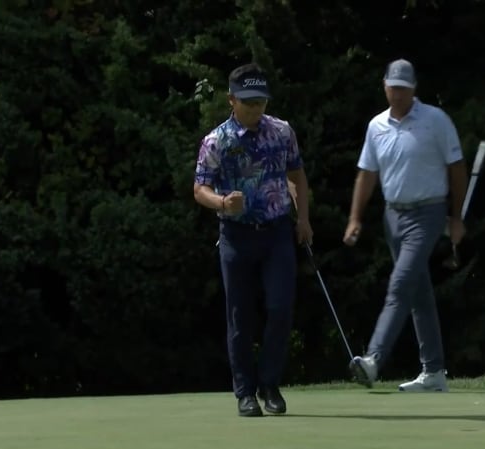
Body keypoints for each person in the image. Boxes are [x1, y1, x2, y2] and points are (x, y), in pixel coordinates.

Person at [193, 63, 313, 416]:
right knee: (240, 315)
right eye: (248, 102)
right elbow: (200, 188)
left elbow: (297, 175)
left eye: (260, 101)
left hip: (276, 233)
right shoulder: (216, 141)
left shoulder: (281, 132)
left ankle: (270, 385)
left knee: (279, 308)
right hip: (236, 236)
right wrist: (221, 203)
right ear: (231, 100)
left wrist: (303, 217)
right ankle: (245, 392)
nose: (256, 109)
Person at [343, 58, 468, 392]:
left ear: (414, 89)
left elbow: (456, 168)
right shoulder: (376, 126)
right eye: (392, 88)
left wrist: (455, 217)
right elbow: (367, 174)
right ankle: (434, 372)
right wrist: (356, 217)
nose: (397, 95)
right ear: (384, 86)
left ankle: (373, 360)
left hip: (428, 213)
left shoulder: (435, 120)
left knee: (400, 284)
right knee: (418, 294)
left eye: (403, 89)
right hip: (392, 217)